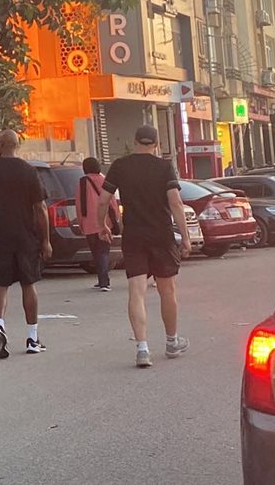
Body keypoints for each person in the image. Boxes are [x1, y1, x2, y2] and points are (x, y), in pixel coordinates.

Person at [98, 125, 190, 368]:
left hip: (134, 236)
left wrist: (102, 225)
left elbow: (103, 200)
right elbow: (175, 202)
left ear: (135, 141)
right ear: (157, 144)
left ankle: (142, 349)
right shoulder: (164, 167)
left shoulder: (120, 166)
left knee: (136, 291)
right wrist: (185, 236)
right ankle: (172, 342)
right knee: (167, 290)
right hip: (161, 235)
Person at [0, 130, 50, 359]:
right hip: (25, 236)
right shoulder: (28, 170)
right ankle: (33, 338)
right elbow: (40, 208)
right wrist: (45, 240)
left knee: (0, 284)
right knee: (28, 284)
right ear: (16, 145)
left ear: (0, 144)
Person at [77, 156, 115, 292]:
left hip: (89, 222)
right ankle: (104, 282)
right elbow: (112, 202)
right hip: (105, 221)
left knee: (96, 252)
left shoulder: (82, 182)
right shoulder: (105, 180)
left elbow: (80, 204)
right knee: (104, 251)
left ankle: (102, 281)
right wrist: (116, 220)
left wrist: (81, 222)